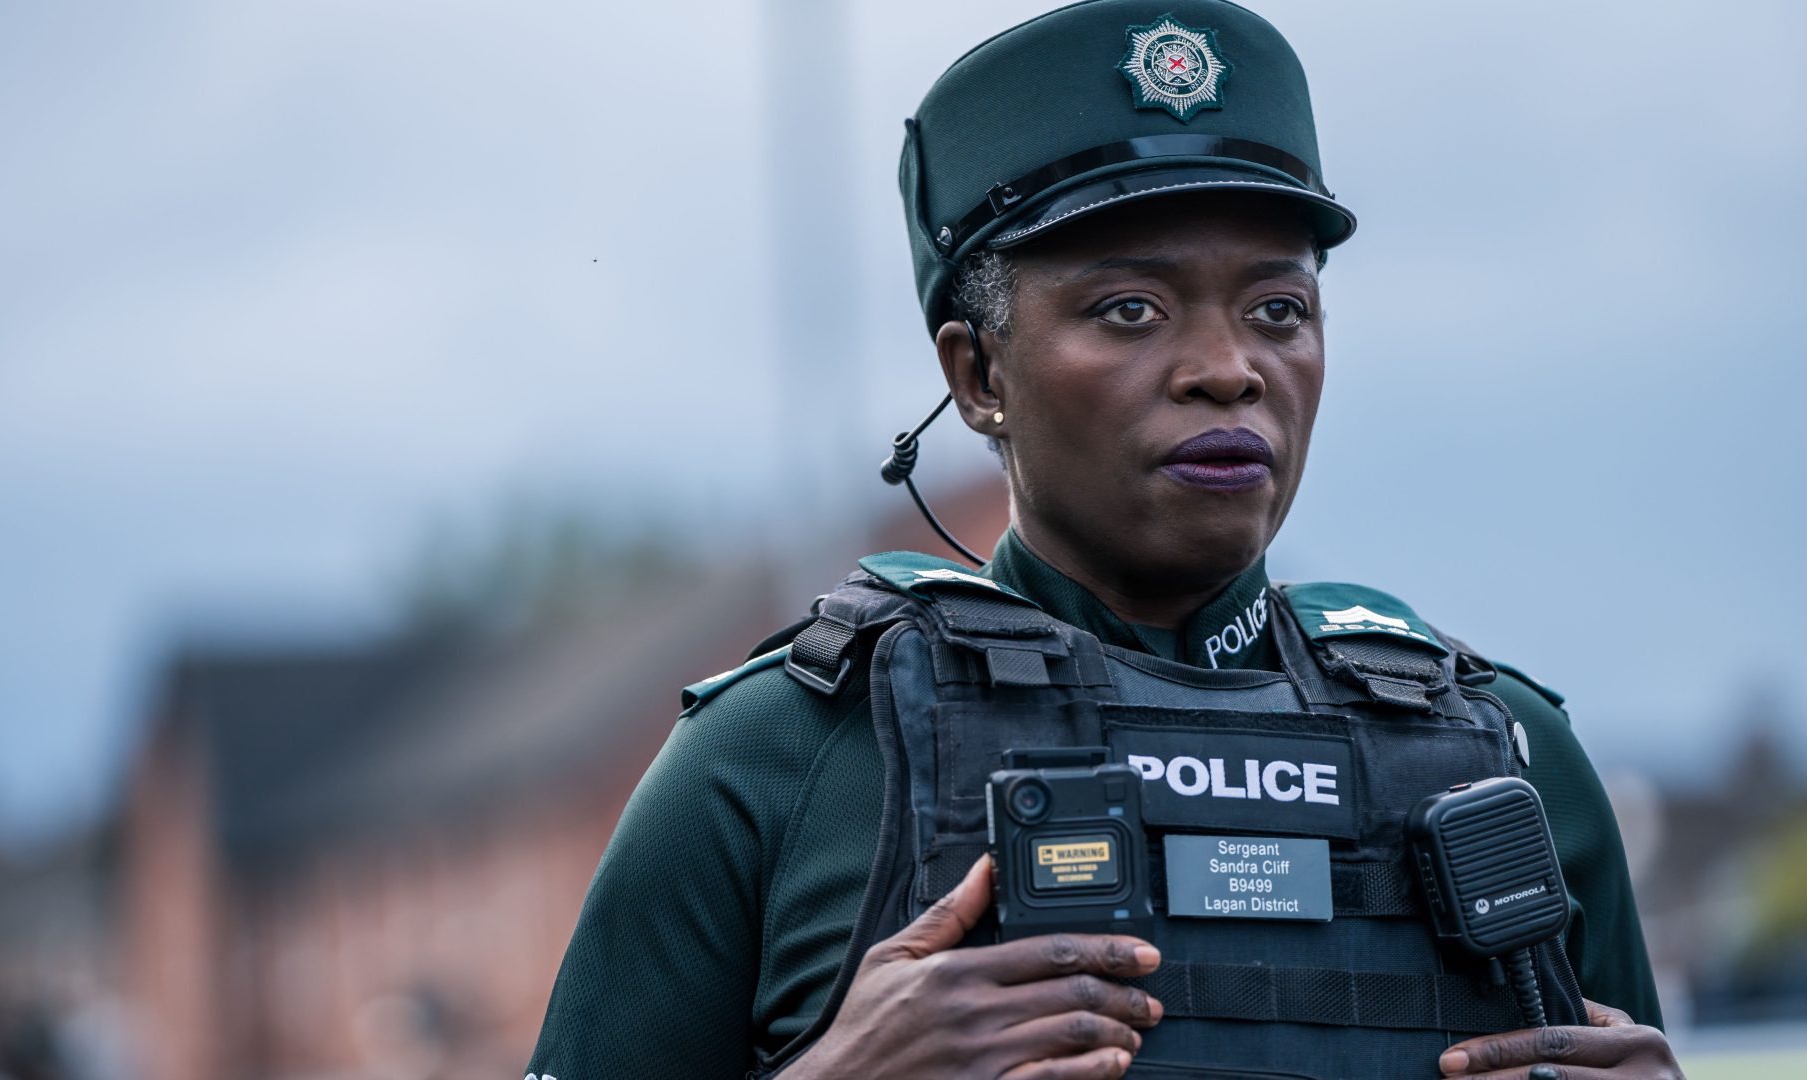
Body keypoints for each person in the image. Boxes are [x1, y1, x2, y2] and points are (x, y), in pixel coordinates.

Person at [526, 2, 1684, 1077]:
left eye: (1279, 310)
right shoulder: (779, 756)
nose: (1228, 368)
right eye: (1129, 309)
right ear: (977, 374)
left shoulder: (1509, 759)